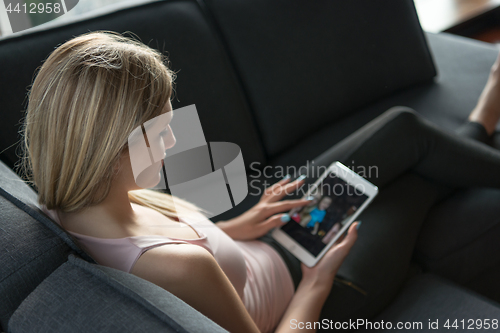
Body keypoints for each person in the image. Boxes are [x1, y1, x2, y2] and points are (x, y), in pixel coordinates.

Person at [20, 30, 500, 333]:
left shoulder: (73, 200)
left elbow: (163, 237)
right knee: (413, 181)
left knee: (401, 130)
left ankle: (479, 123)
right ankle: (481, 123)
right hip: (311, 289)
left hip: (274, 237)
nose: (171, 143)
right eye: (163, 132)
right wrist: (317, 281)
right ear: (112, 145)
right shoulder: (178, 266)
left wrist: (241, 224)